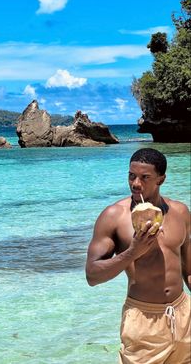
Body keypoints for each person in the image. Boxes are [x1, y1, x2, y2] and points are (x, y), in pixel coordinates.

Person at [85, 148, 190, 364]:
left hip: (183, 315)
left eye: (144, 177)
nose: (135, 183)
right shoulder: (114, 216)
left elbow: (189, 270)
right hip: (143, 319)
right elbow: (92, 275)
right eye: (131, 175)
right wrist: (133, 252)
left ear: (161, 179)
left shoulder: (180, 212)